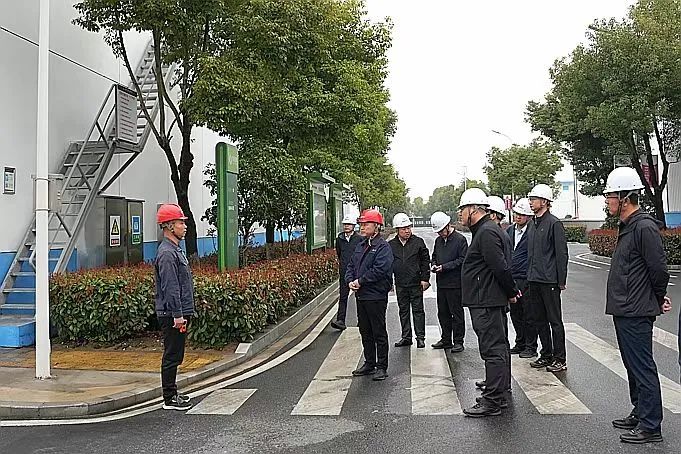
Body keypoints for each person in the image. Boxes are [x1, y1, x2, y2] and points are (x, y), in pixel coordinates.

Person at [604, 167, 672, 444]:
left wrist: (657, 297)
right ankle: (640, 411)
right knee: (632, 365)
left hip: (636, 309)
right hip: (625, 307)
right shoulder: (629, 225)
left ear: (625, 197)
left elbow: (659, 269)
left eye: (610, 195)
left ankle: (651, 425)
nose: (607, 200)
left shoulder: (644, 227)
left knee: (642, 366)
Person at [458, 188, 518, 417]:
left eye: (462, 209)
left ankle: (492, 400)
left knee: (492, 350)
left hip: (486, 300)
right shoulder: (486, 230)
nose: (460, 214)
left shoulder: (486, 232)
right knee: (497, 348)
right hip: (486, 299)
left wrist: (511, 291)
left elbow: (500, 267)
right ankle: (498, 393)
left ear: (473, 209)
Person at [346, 208, 394, 381]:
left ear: (376, 226)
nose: (362, 227)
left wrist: (361, 281)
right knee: (365, 330)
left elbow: (380, 270)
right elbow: (351, 265)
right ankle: (369, 362)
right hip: (361, 296)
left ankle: (382, 366)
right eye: (362, 224)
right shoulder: (361, 245)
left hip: (376, 296)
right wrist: (350, 280)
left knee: (378, 331)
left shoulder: (383, 247)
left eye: (366, 224)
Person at [526, 183, 569, 373]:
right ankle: (546, 354)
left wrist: (561, 280)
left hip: (549, 280)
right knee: (539, 320)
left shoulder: (554, 224)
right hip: (534, 279)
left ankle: (560, 358)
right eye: (530, 199)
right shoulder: (532, 224)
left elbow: (561, 254)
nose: (530, 202)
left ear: (544, 201)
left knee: (555, 321)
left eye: (534, 199)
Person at [155, 203, 194, 411]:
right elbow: (171, 287)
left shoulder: (174, 250)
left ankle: (173, 393)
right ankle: (169, 398)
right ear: (169, 226)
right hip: (172, 314)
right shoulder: (167, 254)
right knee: (172, 355)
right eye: (180, 223)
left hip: (178, 312)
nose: (184, 226)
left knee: (176, 354)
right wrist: (178, 316)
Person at [389, 213, 431, 349]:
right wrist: (389, 282)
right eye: (403, 229)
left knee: (418, 311)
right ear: (397, 230)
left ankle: (420, 337)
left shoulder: (418, 242)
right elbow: (388, 265)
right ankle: (406, 337)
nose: (407, 231)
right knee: (403, 311)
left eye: (408, 228)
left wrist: (425, 279)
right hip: (400, 283)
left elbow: (425, 261)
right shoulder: (391, 245)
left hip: (415, 283)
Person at [430, 211, 469, 353]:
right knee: (443, 313)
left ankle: (458, 341)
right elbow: (434, 256)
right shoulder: (438, 241)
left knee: (456, 313)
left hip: (455, 284)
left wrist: (445, 267)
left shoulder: (460, 240)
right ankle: (446, 339)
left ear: (448, 225)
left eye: (442, 231)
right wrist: (434, 265)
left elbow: (462, 260)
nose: (440, 234)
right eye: (438, 232)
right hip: (441, 283)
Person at [506, 198, 538, 358]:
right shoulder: (509, 231)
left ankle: (531, 346)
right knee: (515, 312)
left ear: (529, 216)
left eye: (522, 214)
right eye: (517, 213)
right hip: (512, 278)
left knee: (529, 314)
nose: (518, 217)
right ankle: (520, 342)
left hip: (527, 278)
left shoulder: (533, 231)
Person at [331, 215, 362, 331]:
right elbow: (339, 254)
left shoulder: (359, 239)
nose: (346, 227)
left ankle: (361, 320)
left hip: (357, 271)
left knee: (359, 297)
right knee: (343, 296)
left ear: (353, 226)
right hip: (344, 271)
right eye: (345, 225)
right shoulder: (339, 239)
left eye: (348, 224)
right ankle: (340, 320)